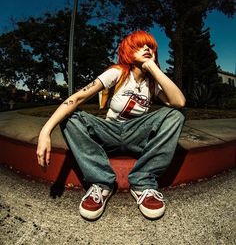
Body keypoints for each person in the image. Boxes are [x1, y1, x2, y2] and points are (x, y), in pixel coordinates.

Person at [37, 30, 186, 221]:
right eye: (140, 45)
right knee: (70, 116)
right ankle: (100, 183)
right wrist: (46, 130)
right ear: (128, 51)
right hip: (109, 132)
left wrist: (153, 68)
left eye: (150, 46)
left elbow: (179, 102)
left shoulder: (153, 83)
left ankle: (143, 183)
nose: (147, 48)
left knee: (176, 114)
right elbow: (77, 98)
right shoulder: (118, 72)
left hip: (137, 135)